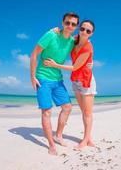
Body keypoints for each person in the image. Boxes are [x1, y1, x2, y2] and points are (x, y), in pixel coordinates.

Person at [30, 12, 79, 155]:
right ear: (63, 23)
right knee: (47, 111)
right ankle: (51, 144)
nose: (70, 26)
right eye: (67, 23)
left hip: (57, 80)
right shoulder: (51, 35)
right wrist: (32, 77)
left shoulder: (72, 42)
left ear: (76, 26)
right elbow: (34, 54)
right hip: (42, 78)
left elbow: (83, 43)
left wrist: (89, 61)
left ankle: (58, 135)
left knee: (68, 107)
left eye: (73, 24)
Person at [44, 20, 97, 149]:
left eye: (88, 31)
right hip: (76, 80)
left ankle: (85, 140)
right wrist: (54, 31)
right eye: (83, 28)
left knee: (88, 113)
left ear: (91, 34)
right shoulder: (75, 40)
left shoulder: (88, 47)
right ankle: (87, 138)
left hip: (86, 80)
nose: (84, 32)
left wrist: (55, 65)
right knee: (83, 111)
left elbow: (74, 67)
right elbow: (64, 36)